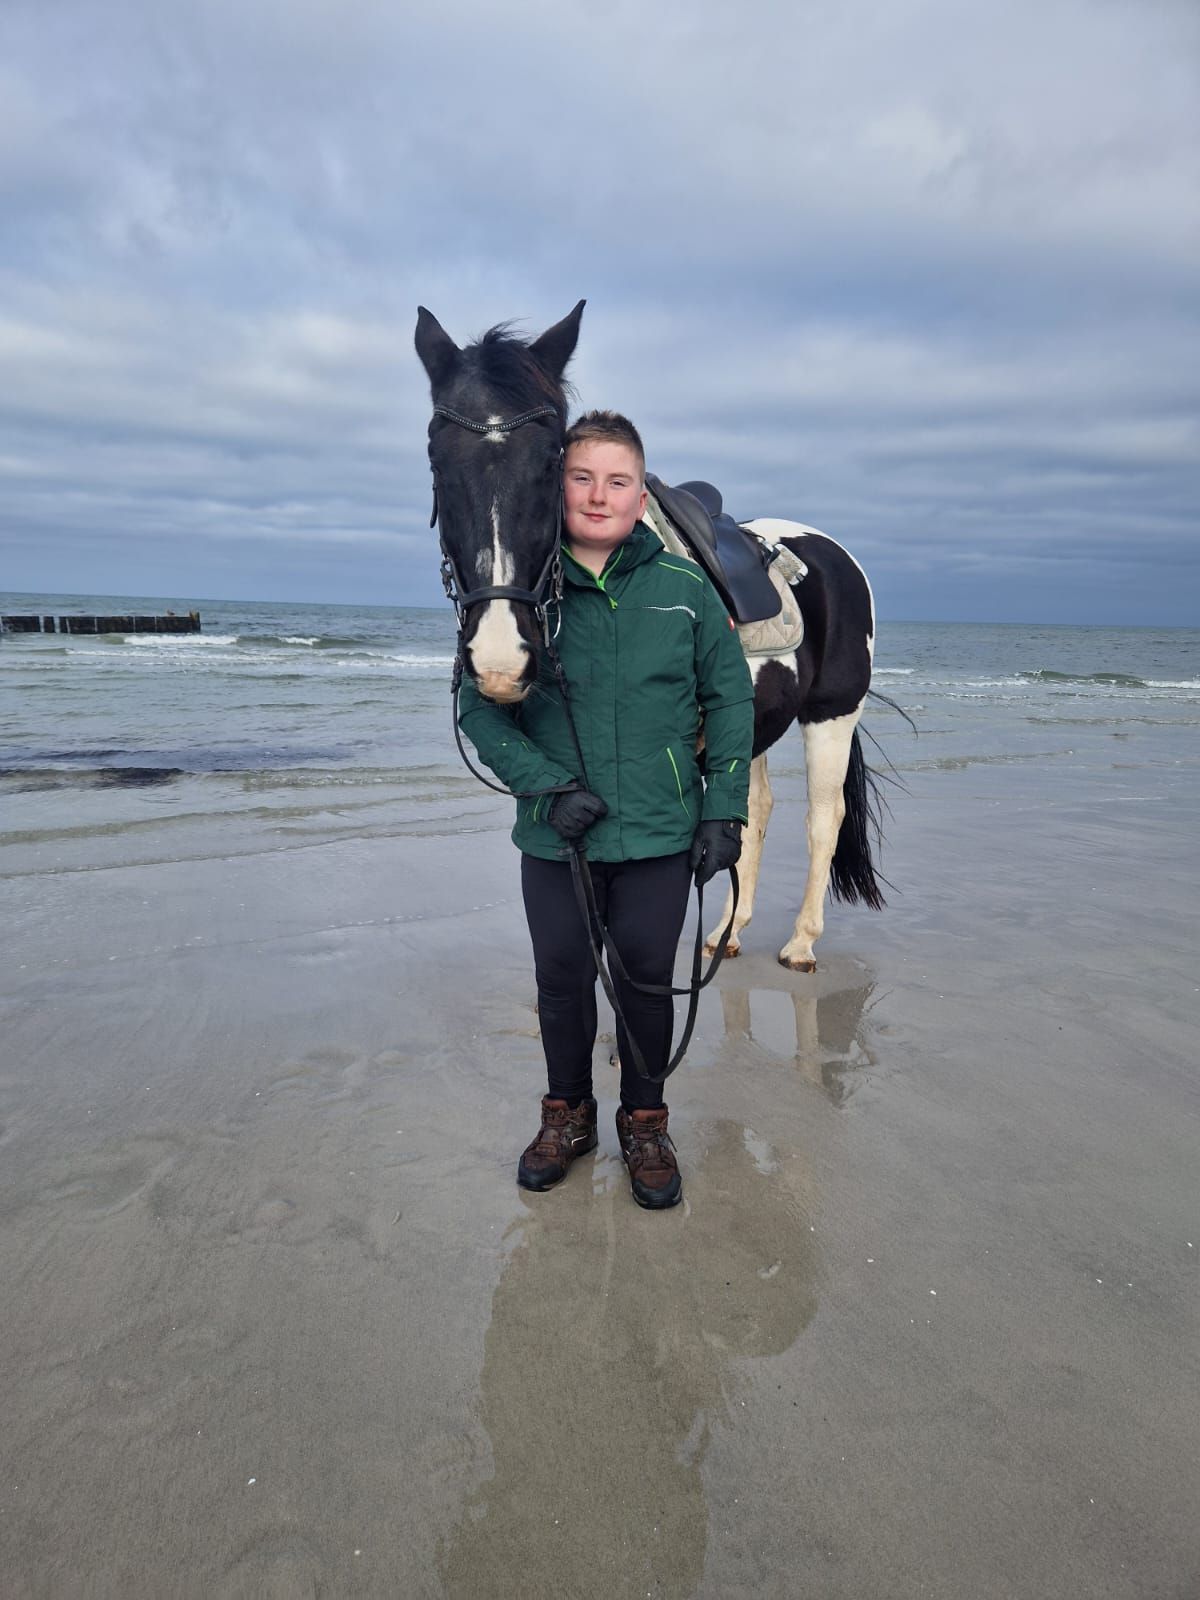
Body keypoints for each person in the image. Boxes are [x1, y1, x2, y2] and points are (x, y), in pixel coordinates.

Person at [458, 411, 754, 1209]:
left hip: (660, 833)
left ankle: (645, 1123)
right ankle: (569, 1115)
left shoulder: (686, 591)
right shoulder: (518, 595)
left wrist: (724, 811)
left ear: (639, 493)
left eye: (616, 480)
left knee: (646, 984)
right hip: (558, 839)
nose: (598, 494)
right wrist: (545, 786)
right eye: (581, 477)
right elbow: (478, 710)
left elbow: (731, 701)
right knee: (560, 981)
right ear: (557, 485)